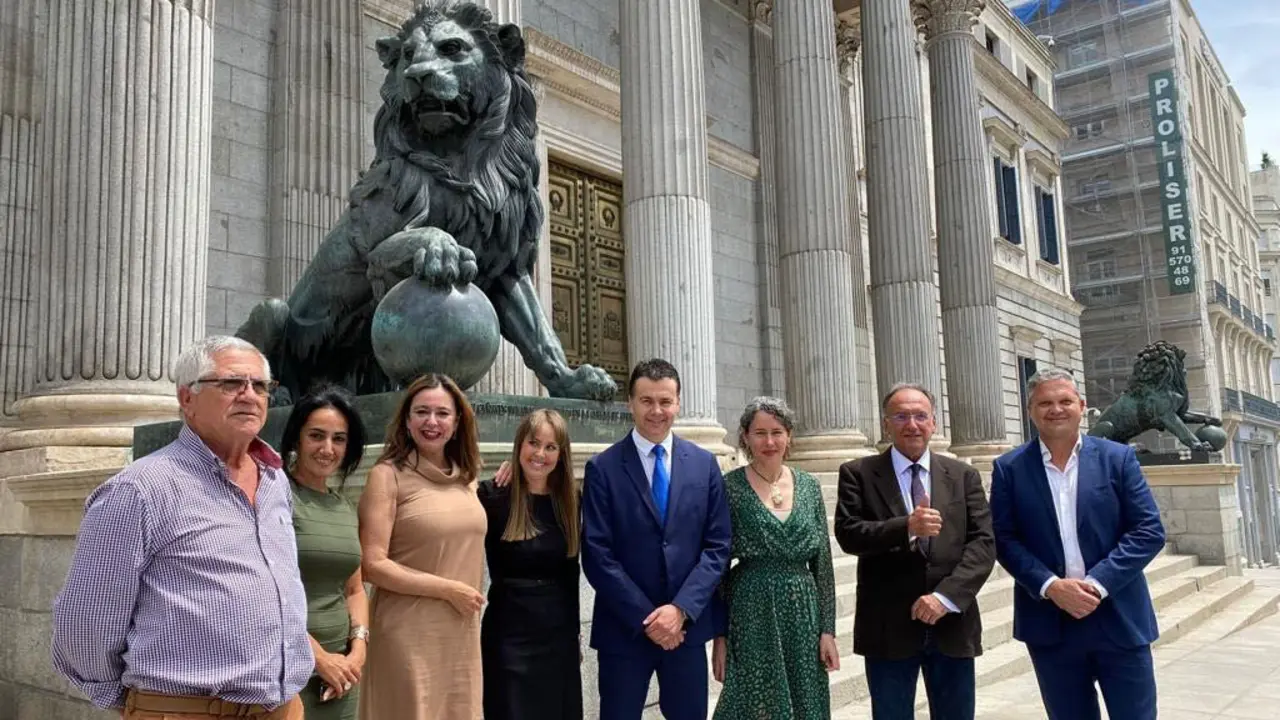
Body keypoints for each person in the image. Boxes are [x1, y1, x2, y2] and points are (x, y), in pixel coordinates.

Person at [51, 336, 311, 720]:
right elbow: (85, 623)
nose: (249, 395)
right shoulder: (139, 490)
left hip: (282, 708)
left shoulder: (274, 480)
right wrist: (140, 704)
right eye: (230, 383)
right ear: (186, 399)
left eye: (259, 385)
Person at [990, 368, 1165, 720]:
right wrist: (1051, 586)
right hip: (1051, 624)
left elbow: (1148, 531)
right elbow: (1004, 539)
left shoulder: (1118, 459)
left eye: (1065, 401)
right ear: (1030, 410)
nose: (1056, 409)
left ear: (1082, 406)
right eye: (1045, 403)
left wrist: (1097, 585)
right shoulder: (1009, 468)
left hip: (1118, 617)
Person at [581, 358, 732, 720]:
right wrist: (650, 619)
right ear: (630, 403)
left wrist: (680, 611)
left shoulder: (703, 464)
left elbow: (718, 546)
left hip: (686, 630)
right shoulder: (602, 468)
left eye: (665, 401)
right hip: (624, 631)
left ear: (678, 403)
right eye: (646, 401)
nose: (656, 411)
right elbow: (597, 554)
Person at [833, 383, 995, 720]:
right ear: (886, 424)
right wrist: (906, 526)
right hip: (888, 626)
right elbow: (849, 534)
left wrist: (945, 597)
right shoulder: (858, 474)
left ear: (934, 423)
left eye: (921, 416)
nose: (912, 424)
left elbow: (983, 543)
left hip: (952, 622)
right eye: (902, 416)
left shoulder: (962, 475)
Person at [357, 373, 487, 720]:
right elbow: (372, 564)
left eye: (442, 413)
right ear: (407, 420)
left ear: (458, 422)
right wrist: (448, 590)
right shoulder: (387, 475)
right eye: (422, 412)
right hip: (407, 634)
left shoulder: (468, 478)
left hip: (460, 633)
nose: (432, 422)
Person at [710, 396, 839, 719]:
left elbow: (822, 563)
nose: (769, 441)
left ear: (789, 436)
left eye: (777, 432)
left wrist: (827, 631)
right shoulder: (730, 488)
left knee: (805, 695)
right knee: (751, 698)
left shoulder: (809, 486)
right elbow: (720, 567)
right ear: (745, 437)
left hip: (802, 611)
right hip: (751, 609)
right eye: (760, 433)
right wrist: (720, 636)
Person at [478, 409, 583, 720]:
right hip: (507, 635)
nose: (540, 454)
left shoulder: (570, 501)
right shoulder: (492, 496)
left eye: (551, 447)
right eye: (533, 443)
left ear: (562, 455)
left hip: (557, 636)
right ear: (519, 445)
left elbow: (571, 573)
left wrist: (574, 634)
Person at [279, 386, 370, 719]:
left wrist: (357, 650)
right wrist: (317, 657)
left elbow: (354, 588)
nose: (327, 449)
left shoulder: (344, 506)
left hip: (341, 675)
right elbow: (262, 592)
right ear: (297, 438)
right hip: (287, 668)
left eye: (339, 439)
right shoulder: (277, 497)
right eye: (317, 436)